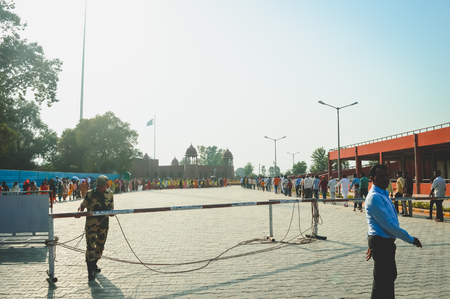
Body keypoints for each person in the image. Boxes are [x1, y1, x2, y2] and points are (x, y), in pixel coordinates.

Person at [365, 164, 422, 298]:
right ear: (372, 178)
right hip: (381, 242)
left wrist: (370, 242)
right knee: (383, 281)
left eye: (387, 175)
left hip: (382, 242)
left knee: (387, 277)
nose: (385, 179)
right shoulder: (375, 197)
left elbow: (373, 223)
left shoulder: (382, 194)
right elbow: (389, 226)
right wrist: (411, 239)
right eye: (381, 176)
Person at [77, 175, 114, 281]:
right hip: (91, 225)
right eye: (99, 185)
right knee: (90, 247)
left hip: (104, 224)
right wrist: (80, 211)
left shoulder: (110, 194)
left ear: (106, 185)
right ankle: (90, 272)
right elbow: (82, 205)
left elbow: (111, 206)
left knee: (100, 247)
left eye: (103, 185)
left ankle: (93, 264)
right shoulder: (90, 193)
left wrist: (112, 212)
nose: (100, 187)